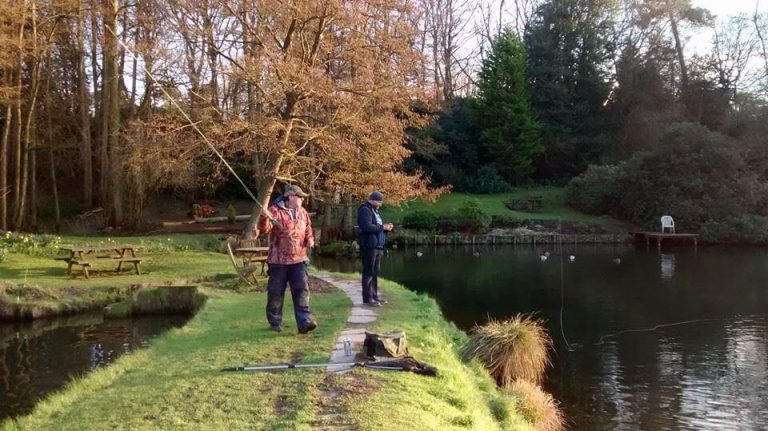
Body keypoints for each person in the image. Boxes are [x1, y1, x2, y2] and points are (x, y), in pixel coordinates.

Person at [257, 185, 317, 334]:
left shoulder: (303, 212)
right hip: (278, 261)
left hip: (299, 260)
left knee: (302, 290)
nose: (302, 199)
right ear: (290, 196)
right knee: (276, 292)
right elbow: (265, 229)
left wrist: (310, 239)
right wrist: (264, 217)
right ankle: (275, 322)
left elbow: (308, 229)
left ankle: (304, 322)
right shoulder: (274, 211)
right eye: (300, 196)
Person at [357, 191, 394, 306]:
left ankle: (374, 296)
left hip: (378, 246)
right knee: (368, 272)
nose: (380, 204)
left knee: (375, 272)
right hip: (369, 246)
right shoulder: (365, 210)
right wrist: (382, 227)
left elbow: (376, 227)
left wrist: (385, 228)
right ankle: (367, 299)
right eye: (378, 202)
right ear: (372, 200)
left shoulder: (375, 211)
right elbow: (366, 226)